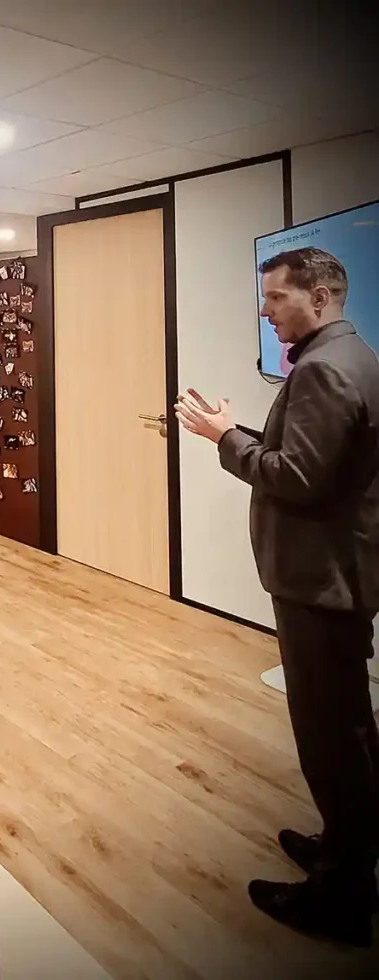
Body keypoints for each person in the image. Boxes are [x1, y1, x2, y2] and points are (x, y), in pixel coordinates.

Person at [175, 247, 379, 947]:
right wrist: (242, 431)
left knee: (330, 739)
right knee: (347, 729)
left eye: (277, 300)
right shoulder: (350, 356)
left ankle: (343, 897)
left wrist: (222, 437)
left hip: (321, 581)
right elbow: (313, 457)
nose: (265, 312)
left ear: (320, 298)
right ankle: (345, 850)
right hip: (334, 577)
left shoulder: (324, 368)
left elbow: (296, 478)